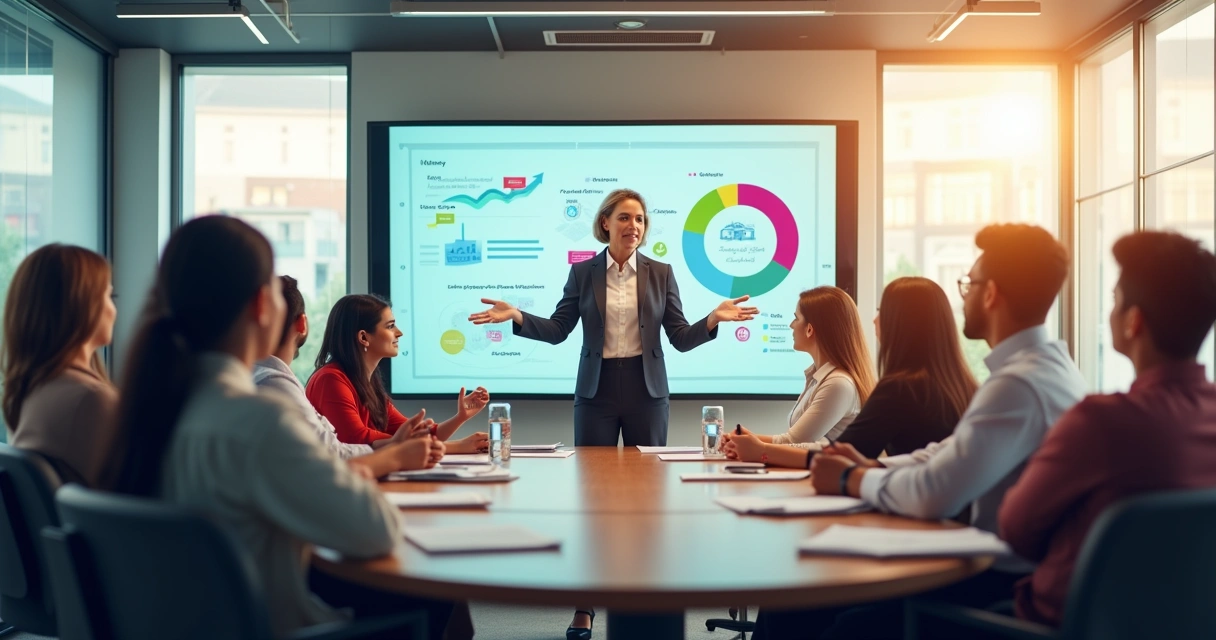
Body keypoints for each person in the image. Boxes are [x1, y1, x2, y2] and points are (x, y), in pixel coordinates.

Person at [101, 216, 463, 640]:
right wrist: (370, 468)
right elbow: (377, 530)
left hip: (193, 624)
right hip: (277, 628)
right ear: (262, 305)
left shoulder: (149, 411)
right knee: (436, 589)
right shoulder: (258, 421)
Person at [761, 223, 1086, 639]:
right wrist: (873, 467)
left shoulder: (1018, 384)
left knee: (802, 609)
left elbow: (935, 492)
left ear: (990, 294)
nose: (963, 296)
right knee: (798, 604)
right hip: (995, 564)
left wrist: (852, 478)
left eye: (968, 284)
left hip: (993, 582)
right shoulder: (1048, 370)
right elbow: (946, 452)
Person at [469, 188, 757, 639]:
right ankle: (584, 606)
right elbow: (559, 329)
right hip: (596, 392)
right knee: (592, 504)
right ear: (605, 223)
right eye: (625, 218)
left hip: (647, 393)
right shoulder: (582, 272)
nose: (633, 226)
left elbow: (680, 338)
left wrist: (713, 319)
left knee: (648, 503)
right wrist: (518, 316)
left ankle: (647, 593)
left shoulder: (661, 273)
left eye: (640, 219)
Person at [1000, 231, 1216, 628]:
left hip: (1059, 628)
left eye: (1115, 301)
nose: (1110, 313)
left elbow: (1015, 530)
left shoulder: (1099, 422)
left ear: (1134, 321)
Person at [727, 277, 975, 468]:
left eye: (882, 311)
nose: (874, 320)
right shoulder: (964, 385)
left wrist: (761, 451)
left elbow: (844, 453)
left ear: (901, 323)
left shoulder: (899, 388)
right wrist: (758, 445)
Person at [253, 276, 444, 477]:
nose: (399, 333)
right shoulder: (281, 382)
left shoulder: (270, 379)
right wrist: (397, 453)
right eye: (390, 326)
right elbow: (336, 449)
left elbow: (336, 445)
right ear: (303, 324)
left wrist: (401, 445)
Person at [307, 294, 489, 453]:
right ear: (363, 337)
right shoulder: (330, 379)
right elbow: (356, 439)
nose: (399, 333)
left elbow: (413, 433)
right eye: (390, 326)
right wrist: (457, 446)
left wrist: (460, 417)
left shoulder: (368, 383)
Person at [3, 244, 118, 487]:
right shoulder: (91, 399)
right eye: (109, 296)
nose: (113, 309)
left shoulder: (25, 391)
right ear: (82, 305)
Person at [722, 286, 876, 467]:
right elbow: (792, 442)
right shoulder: (822, 377)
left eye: (796, 318)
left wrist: (757, 448)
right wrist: (748, 440)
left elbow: (794, 442)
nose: (791, 325)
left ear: (809, 329)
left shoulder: (838, 383)